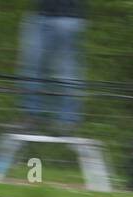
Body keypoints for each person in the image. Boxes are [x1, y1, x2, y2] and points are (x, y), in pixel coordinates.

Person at [16, 0, 87, 133]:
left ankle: (67, 121)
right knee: (31, 68)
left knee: (67, 72)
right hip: (40, 15)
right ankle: (31, 116)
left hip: (69, 18)